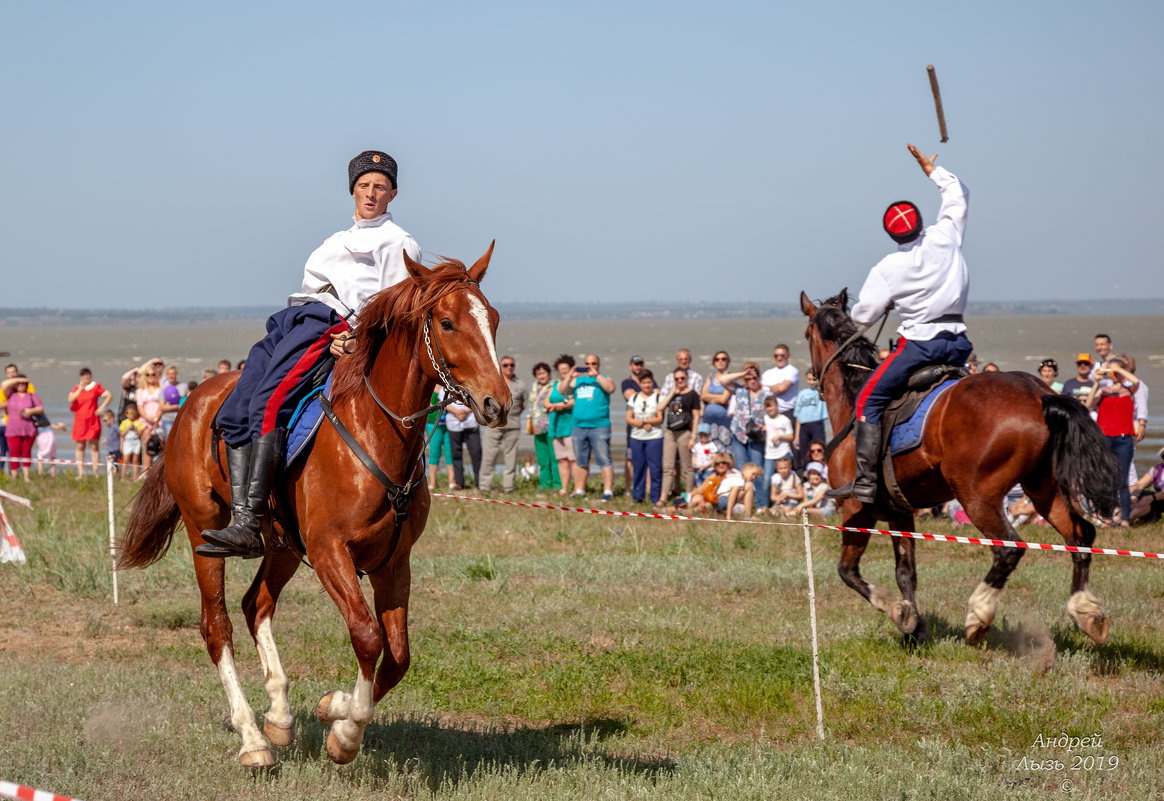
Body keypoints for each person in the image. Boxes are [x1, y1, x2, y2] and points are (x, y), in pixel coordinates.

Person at [202, 150, 421, 558]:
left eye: (380, 186)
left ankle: (248, 523)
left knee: (269, 405)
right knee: (238, 403)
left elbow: (395, 310)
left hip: (342, 331)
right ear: (352, 191)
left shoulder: (399, 242)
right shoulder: (334, 241)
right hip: (301, 322)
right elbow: (309, 288)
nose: (371, 193)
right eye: (363, 186)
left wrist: (353, 341)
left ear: (393, 193)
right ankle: (246, 513)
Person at [828, 143, 973, 505]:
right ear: (923, 222)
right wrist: (931, 171)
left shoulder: (888, 268)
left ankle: (864, 481)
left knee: (867, 400)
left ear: (893, 236)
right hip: (958, 343)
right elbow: (957, 193)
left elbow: (862, 317)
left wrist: (889, 299)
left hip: (919, 346)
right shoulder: (946, 236)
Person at [1085, 357, 1139, 526]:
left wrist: (1118, 369)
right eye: (1112, 372)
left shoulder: (1129, 391)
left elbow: (1135, 381)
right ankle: (1107, 516)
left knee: (1122, 480)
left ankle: (1125, 519)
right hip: (1105, 438)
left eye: (1116, 372)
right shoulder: (1104, 390)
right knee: (1106, 479)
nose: (1113, 375)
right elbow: (1087, 404)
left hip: (1124, 439)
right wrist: (1096, 382)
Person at [562, 354, 616, 502]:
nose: (590, 366)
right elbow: (562, 390)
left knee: (604, 459)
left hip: (599, 426)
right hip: (579, 426)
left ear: (598, 365)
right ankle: (580, 490)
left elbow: (611, 388)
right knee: (580, 460)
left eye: (593, 363)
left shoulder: (604, 378)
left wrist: (596, 375)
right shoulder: (577, 380)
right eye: (587, 363)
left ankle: (608, 491)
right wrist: (569, 375)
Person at [478, 356, 526, 493]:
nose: (509, 367)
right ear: (500, 366)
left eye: (511, 365)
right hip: (493, 423)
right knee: (489, 455)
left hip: (513, 424)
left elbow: (523, 405)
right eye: (505, 365)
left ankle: (509, 486)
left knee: (511, 456)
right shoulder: (492, 381)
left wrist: (512, 414)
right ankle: (484, 486)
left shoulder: (520, 384)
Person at [658, 366, 701, 506]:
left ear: (687, 378)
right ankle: (663, 497)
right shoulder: (673, 394)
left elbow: (696, 416)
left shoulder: (693, 394)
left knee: (687, 467)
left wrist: (693, 437)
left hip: (685, 432)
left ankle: (688, 497)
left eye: (682, 378)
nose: (680, 381)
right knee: (667, 466)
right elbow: (660, 407)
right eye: (677, 379)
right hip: (670, 432)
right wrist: (672, 392)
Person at [727, 363, 770, 500]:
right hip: (739, 434)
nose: (752, 381)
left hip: (757, 436)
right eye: (749, 379)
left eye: (754, 378)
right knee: (742, 469)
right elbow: (723, 380)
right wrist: (742, 374)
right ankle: (745, 500)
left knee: (756, 469)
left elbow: (773, 411)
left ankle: (760, 502)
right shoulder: (740, 391)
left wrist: (766, 426)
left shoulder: (766, 394)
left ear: (759, 378)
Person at [625, 370, 664, 506]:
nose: (647, 385)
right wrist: (641, 423)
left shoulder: (658, 397)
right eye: (644, 382)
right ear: (640, 384)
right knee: (639, 467)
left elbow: (660, 418)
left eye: (649, 382)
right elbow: (629, 418)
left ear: (652, 383)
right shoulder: (634, 398)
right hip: (636, 437)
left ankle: (655, 497)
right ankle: (638, 497)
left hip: (655, 437)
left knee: (655, 468)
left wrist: (648, 421)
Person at [67, 367, 111, 478]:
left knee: (94, 446)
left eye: (88, 376)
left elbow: (108, 395)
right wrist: (80, 389)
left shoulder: (96, 386)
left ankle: (95, 472)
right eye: (84, 376)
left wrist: (101, 407)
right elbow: (70, 399)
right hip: (80, 421)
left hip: (92, 420)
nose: (86, 379)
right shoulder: (77, 388)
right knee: (80, 446)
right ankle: (81, 473)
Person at [546, 354, 578, 497]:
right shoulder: (555, 384)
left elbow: (574, 402)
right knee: (561, 459)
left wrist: (560, 405)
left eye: (566, 369)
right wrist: (552, 405)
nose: (563, 372)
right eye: (561, 369)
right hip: (556, 426)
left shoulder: (576, 383)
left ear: (571, 369)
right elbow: (546, 402)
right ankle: (564, 488)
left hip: (571, 426)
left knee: (573, 460)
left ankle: (578, 488)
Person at [1, 375, 42, 481]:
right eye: (18, 384)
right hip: (13, 430)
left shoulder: (32, 396)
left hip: (29, 429)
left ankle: (26, 477)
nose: (21, 385)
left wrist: (30, 411)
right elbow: (4, 385)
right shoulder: (10, 395)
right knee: (13, 452)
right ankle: (14, 476)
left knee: (26, 452)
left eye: (23, 384)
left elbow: (40, 408)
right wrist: (20, 379)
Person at [528, 362, 560, 495]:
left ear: (549, 373)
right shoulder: (534, 386)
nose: (541, 376)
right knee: (542, 458)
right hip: (537, 426)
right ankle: (544, 485)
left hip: (552, 425)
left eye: (543, 373)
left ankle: (558, 485)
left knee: (555, 457)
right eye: (538, 374)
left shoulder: (555, 385)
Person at [700, 350, 742, 451]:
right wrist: (716, 398)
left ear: (728, 362)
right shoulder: (711, 377)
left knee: (724, 448)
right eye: (717, 359)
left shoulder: (729, 378)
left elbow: (724, 399)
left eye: (723, 359)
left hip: (724, 419)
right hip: (709, 419)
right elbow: (703, 395)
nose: (720, 361)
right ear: (714, 362)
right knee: (709, 448)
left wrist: (710, 399)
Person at [759, 395, 794, 510]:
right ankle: (764, 506)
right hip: (769, 454)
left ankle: (788, 504)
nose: (769, 409)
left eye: (771, 406)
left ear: (777, 406)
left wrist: (779, 436)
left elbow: (791, 436)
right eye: (767, 407)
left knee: (786, 480)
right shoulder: (765, 418)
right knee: (766, 480)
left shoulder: (784, 419)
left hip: (783, 452)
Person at [792, 370, 828, 469]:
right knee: (805, 452)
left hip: (817, 425)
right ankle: (807, 475)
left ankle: (822, 473)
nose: (812, 382)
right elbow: (798, 415)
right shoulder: (802, 393)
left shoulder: (821, 392)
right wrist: (796, 436)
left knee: (820, 449)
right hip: (804, 427)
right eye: (809, 379)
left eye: (814, 379)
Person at [135, 366, 166, 473]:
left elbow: (162, 404)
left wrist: (156, 419)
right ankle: (146, 472)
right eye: (148, 375)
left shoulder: (161, 388)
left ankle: (159, 472)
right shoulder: (140, 391)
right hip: (146, 420)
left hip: (160, 420)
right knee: (148, 446)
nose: (151, 377)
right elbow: (140, 407)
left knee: (162, 445)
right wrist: (149, 419)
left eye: (153, 374)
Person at [445, 399, 481, 490]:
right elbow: (443, 401)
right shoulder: (448, 386)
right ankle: (459, 482)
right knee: (456, 453)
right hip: (453, 423)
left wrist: (465, 411)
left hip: (471, 423)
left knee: (476, 452)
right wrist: (457, 412)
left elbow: (478, 400)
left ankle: (480, 482)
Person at [426, 386, 455, 491]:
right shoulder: (430, 387)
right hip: (433, 425)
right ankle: (432, 482)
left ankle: (452, 481)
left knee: (450, 452)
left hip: (448, 425)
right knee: (434, 453)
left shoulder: (448, 386)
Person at [1128, 446, 1164, 525]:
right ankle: (1124, 517)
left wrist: (1151, 498)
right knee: (1138, 494)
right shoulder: (1158, 469)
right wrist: (1131, 496)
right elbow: (1139, 484)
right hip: (1157, 500)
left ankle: (1127, 519)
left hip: (1159, 500)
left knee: (1147, 499)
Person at [761, 344, 799, 414]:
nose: (779, 358)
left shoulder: (792, 370)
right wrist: (775, 387)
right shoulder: (767, 373)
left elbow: (781, 389)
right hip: (769, 412)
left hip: (786, 412)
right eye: (776, 356)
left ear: (788, 356)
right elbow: (760, 389)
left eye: (782, 355)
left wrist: (767, 386)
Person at [119, 403, 146, 481]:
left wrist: (134, 428)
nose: (130, 415)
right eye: (128, 413)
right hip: (127, 442)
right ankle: (123, 477)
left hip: (136, 442)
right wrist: (128, 428)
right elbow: (122, 434)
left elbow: (140, 434)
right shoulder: (124, 422)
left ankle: (135, 476)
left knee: (135, 460)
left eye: (132, 413)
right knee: (126, 459)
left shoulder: (138, 422)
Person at [159, 364, 187, 438]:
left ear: (176, 374)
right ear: (166, 375)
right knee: (169, 441)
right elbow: (162, 407)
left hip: (180, 419)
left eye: (173, 373)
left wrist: (172, 407)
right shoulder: (163, 389)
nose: (171, 376)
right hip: (167, 419)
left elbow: (186, 403)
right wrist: (177, 406)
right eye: (169, 374)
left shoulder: (183, 386)